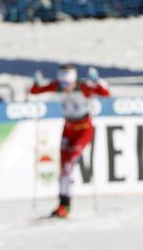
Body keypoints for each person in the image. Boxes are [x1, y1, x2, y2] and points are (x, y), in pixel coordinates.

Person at [29, 64, 110, 218]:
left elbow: (105, 93)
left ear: (73, 80)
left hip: (84, 129)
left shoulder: (83, 88)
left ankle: (65, 204)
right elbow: (35, 92)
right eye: (63, 84)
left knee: (68, 165)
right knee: (63, 167)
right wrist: (37, 83)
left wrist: (97, 81)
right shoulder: (57, 86)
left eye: (68, 84)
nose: (65, 88)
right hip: (68, 129)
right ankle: (63, 204)